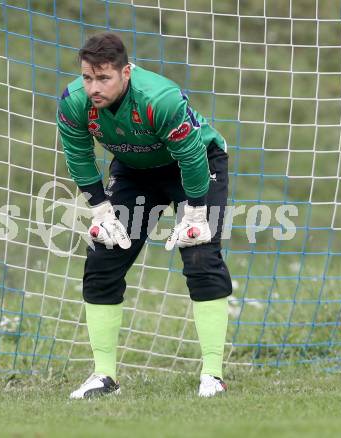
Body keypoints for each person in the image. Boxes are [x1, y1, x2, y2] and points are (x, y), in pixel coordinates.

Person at [57, 32, 232, 399]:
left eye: (104, 78)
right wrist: (100, 209)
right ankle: (104, 377)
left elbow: (191, 156)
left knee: (200, 253)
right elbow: (78, 155)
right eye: (88, 77)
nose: (93, 88)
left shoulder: (160, 99)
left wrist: (196, 212)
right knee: (104, 258)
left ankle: (212, 375)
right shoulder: (74, 102)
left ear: (126, 72)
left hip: (196, 165)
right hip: (136, 170)